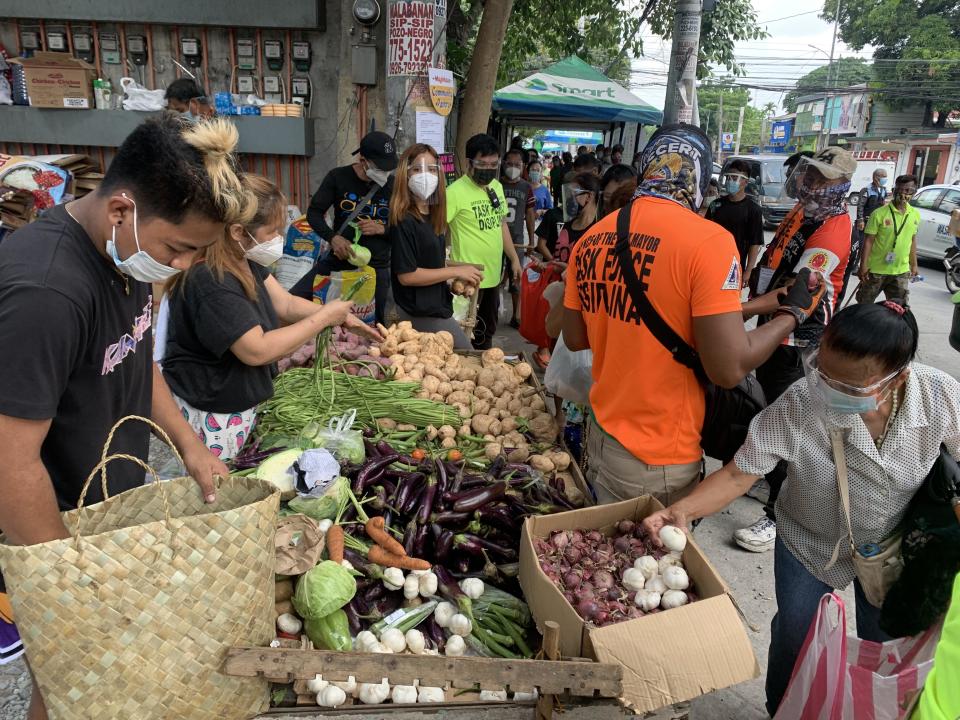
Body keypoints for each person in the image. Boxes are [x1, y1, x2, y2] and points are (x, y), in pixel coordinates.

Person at [0, 115, 248, 719]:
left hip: (101, 505)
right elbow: (10, 461)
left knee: (81, 682)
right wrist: (71, 574)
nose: (184, 265)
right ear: (120, 210)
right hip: (47, 525)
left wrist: (191, 446)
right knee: (70, 681)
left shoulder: (127, 254)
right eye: (179, 248)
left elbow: (136, 359)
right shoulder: (47, 291)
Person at [643, 301, 960, 717]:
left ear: (896, 379)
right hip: (808, 542)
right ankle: (783, 708)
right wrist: (682, 509)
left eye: (848, 386)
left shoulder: (941, 396)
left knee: (885, 645)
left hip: (892, 549)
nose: (828, 389)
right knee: (796, 633)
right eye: (822, 371)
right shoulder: (802, 402)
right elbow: (742, 473)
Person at [562, 123, 824, 506]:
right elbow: (728, 368)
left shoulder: (591, 239)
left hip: (601, 437)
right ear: (701, 174)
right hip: (660, 456)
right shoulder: (709, 242)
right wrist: (793, 314)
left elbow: (575, 338)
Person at [161, 175, 381, 460]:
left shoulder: (243, 260)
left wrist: (342, 318)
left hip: (236, 405)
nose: (279, 239)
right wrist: (325, 316)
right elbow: (257, 350)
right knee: (218, 492)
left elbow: (286, 304)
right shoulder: (211, 280)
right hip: (212, 414)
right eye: (273, 231)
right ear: (238, 231)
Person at [734, 146, 857, 553]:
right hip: (773, 333)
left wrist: (736, 309)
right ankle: (763, 481)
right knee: (763, 411)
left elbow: (797, 293)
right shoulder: (803, 213)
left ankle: (778, 515)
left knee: (791, 428)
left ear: (841, 185)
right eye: (811, 175)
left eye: (823, 179)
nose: (811, 184)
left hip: (797, 341)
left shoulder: (834, 226)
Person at [292, 131, 398, 325]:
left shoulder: (394, 185)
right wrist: (333, 238)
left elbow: (407, 227)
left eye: (388, 168)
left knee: (375, 326)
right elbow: (314, 213)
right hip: (339, 260)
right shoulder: (338, 177)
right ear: (363, 160)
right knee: (296, 299)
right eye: (380, 167)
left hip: (377, 268)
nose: (385, 173)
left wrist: (382, 229)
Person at [389, 144, 479, 348]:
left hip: (435, 305)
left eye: (431, 169)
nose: (425, 175)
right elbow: (407, 276)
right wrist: (453, 271)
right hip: (419, 311)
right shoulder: (404, 220)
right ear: (405, 173)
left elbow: (429, 264)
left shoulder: (433, 216)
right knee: (466, 353)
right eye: (417, 169)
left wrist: (453, 282)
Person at [446, 134, 522, 350]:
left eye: (493, 164)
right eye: (482, 164)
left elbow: (502, 225)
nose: (488, 169)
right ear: (469, 162)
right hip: (467, 281)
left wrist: (514, 258)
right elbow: (437, 230)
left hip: (492, 276)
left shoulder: (496, 187)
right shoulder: (454, 193)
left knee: (487, 331)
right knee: (463, 333)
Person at [857, 174, 920, 305]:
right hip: (875, 271)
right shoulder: (879, 214)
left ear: (914, 192)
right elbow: (868, 241)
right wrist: (863, 265)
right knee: (864, 307)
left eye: (908, 190)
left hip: (901, 271)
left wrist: (913, 264)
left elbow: (912, 240)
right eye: (900, 190)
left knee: (899, 309)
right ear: (894, 190)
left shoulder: (915, 215)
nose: (903, 194)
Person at [706, 159, 765, 278]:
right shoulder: (715, 205)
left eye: (734, 178)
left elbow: (754, 244)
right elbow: (705, 234)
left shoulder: (753, 210)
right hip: (710, 263)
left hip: (735, 268)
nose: (729, 181)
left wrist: (748, 271)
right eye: (728, 177)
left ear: (746, 181)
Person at [838, 167, 889, 304]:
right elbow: (860, 206)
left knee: (872, 247)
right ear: (875, 177)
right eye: (882, 176)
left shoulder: (883, 190)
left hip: (877, 223)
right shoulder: (866, 190)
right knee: (860, 245)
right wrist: (860, 220)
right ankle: (855, 266)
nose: (885, 179)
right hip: (865, 221)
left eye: (885, 176)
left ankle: (866, 264)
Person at [500, 148, 537, 329]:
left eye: (517, 164)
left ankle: (516, 316)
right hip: (495, 241)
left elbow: (530, 214)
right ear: (503, 164)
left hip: (517, 240)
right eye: (509, 164)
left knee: (516, 279)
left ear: (522, 167)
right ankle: (485, 311)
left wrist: (531, 240)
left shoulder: (526, 187)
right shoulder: (495, 184)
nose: (513, 167)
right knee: (493, 278)